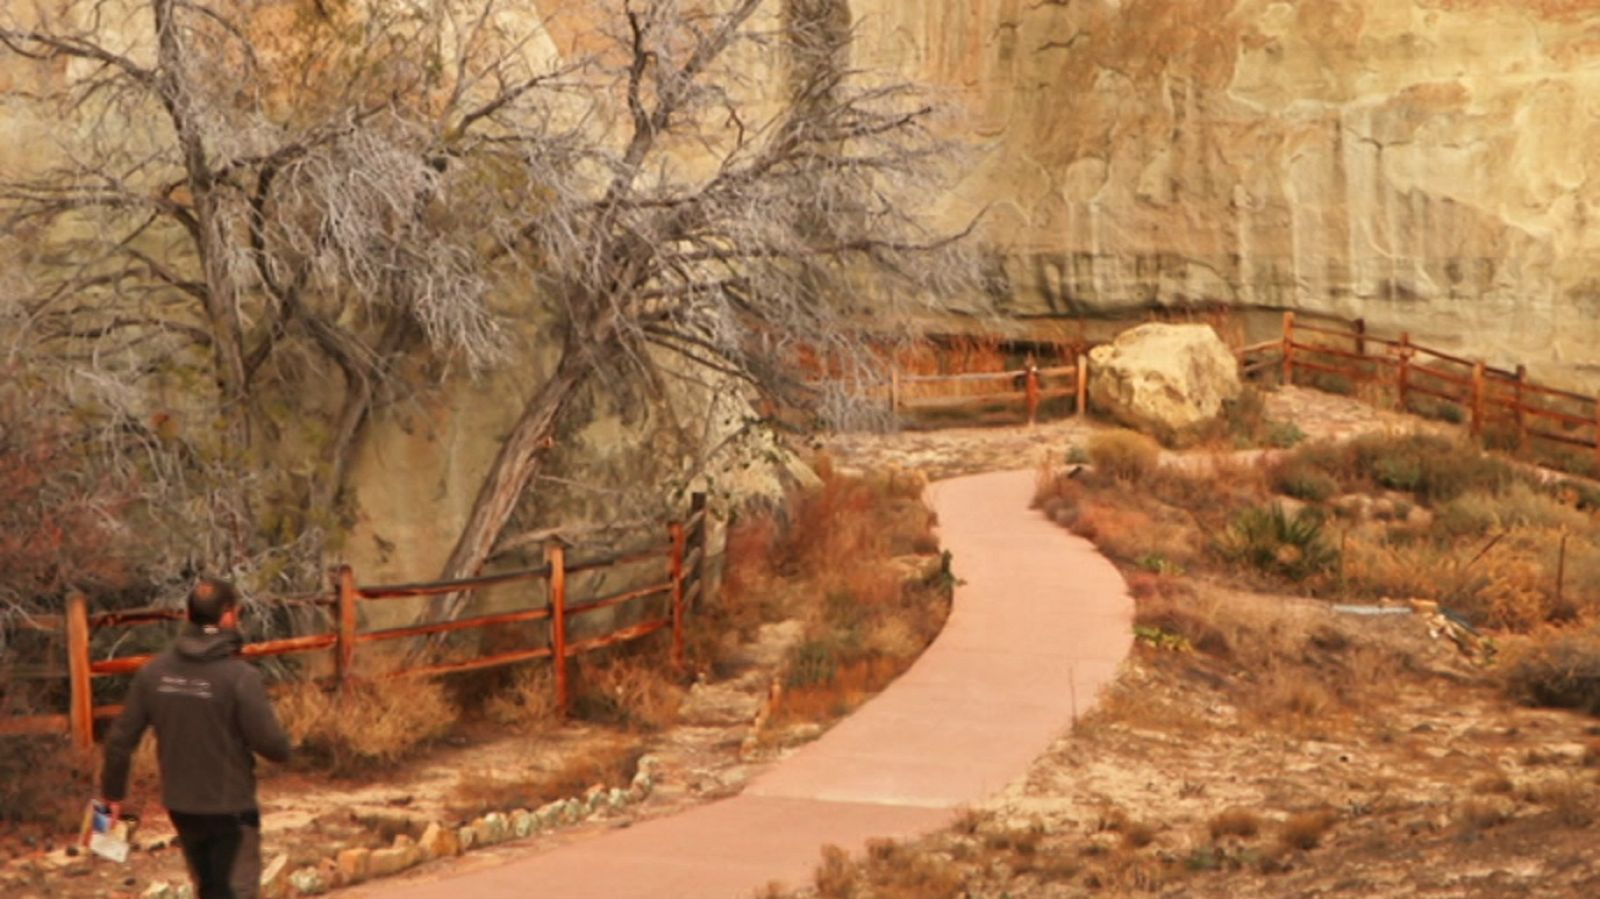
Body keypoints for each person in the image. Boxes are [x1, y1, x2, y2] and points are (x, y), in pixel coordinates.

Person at [101, 577, 291, 899]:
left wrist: (111, 799)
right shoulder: (240, 678)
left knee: (209, 889)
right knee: (235, 891)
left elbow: (119, 741)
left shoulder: (154, 674)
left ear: (187, 617)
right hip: (231, 808)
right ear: (230, 616)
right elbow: (274, 746)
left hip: (182, 806)